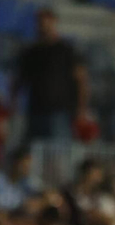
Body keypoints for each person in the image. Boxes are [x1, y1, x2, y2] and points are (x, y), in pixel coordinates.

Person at [15, 8, 87, 143]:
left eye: (47, 23)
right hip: (35, 111)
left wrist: (81, 108)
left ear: (54, 23)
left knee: (57, 153)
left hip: (59, 112)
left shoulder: (66, 50)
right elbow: (20, 80)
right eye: (40, 23)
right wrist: (13, 103)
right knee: (33, 152)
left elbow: (81, 79)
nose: (43, 26)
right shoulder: (31, 52)